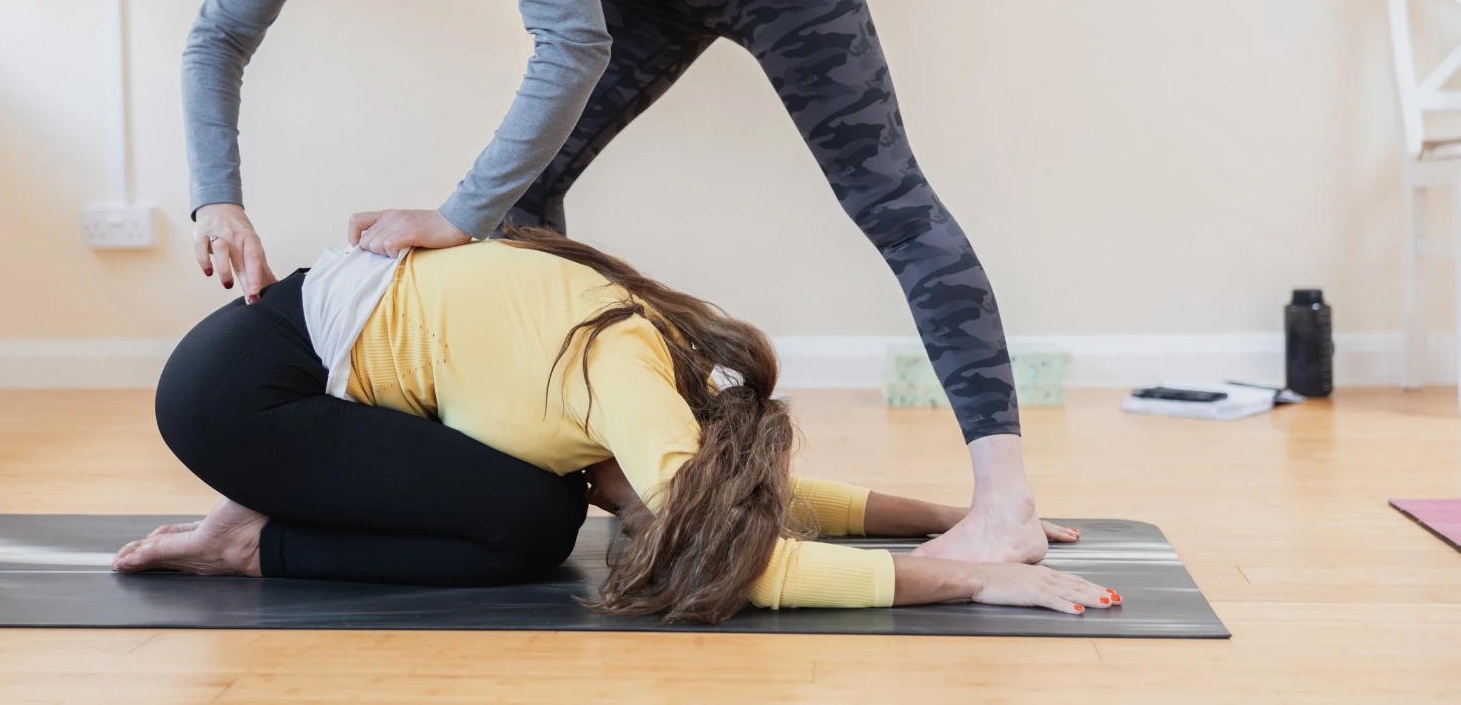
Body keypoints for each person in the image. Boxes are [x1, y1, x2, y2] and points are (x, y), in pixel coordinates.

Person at [183, 0, 1041, 563]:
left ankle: (1007, 504)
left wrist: (456, 215)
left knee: (885, 195)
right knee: (517, 205)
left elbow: (571, 43)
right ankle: (631, 470)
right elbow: (218, 34)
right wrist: (217, 196)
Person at [117, 227, 1120, 623]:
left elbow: (741, 505)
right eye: (655, 507)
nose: (640, 517)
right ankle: (251, 542)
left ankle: (251, 520)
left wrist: (947, 512)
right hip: (244, 399)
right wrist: (975, 575)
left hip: (263, 370)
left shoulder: (644, 389)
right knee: (531, 527)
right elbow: (748, 560)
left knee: (543, 504)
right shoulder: (632, 389)